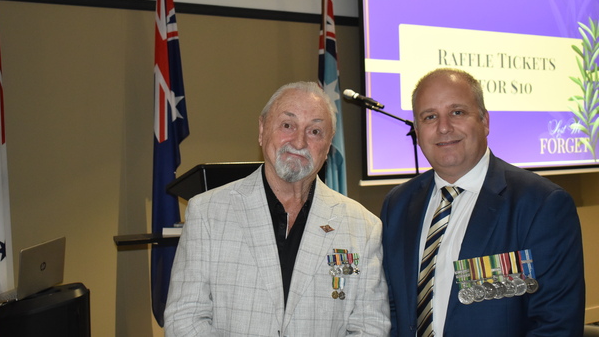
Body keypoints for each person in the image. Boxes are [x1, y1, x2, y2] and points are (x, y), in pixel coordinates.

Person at [165, 81, 390, 336]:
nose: (299, 142)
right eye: (287, 125)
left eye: (315, 131)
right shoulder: (207, 213)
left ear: (328, 147)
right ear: (262, 130)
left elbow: (370, 326)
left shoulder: (363, 226)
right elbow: (184, 318)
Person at [381, 68, 585, 337]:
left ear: (485, 121)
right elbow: (391, 308)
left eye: (457, 112)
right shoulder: (397, 205)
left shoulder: (541, 204)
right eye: (430, 117)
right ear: (418, 131)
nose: (444, 127)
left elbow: (556, 324)